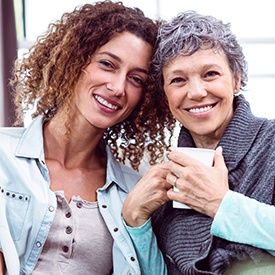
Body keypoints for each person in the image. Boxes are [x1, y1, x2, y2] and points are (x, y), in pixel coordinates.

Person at [0, 1, 169, 274]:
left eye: (136, 79)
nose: (117, 87)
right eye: (107, 64)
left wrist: (136, 220)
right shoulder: (3, 156)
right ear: (74, 59)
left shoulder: (133, 191)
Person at [122, 10, 275, 274]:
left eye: (211, 74)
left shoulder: (270, 143)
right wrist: (136, 224)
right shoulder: (163, 182)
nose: (196, 92)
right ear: (165, 96)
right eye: (178, 80)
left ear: (236, 79)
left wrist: (219, 203)